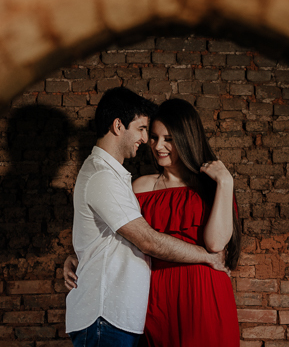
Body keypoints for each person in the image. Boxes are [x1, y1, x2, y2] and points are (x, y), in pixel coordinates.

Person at [64, 88, 228, 347]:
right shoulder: (103, 176)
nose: (147, 140)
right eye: (143, 130)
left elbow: (107, 233)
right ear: (118, 126)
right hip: (108, 314)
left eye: (166, 138)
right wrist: (208, 257)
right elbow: (147, 240)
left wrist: (81, 254)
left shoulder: (115, 176)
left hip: (129, 312)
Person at [132, 98, 241, 347]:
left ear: (186, 139)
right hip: (156, 295)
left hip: (205, 293)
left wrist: (225, 183)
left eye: (168, 139)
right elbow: (121, 235)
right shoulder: (141, 187)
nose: (158, 146)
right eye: (154, 137)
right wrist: (77, 256)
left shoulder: (211, 186)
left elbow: (215, 244)